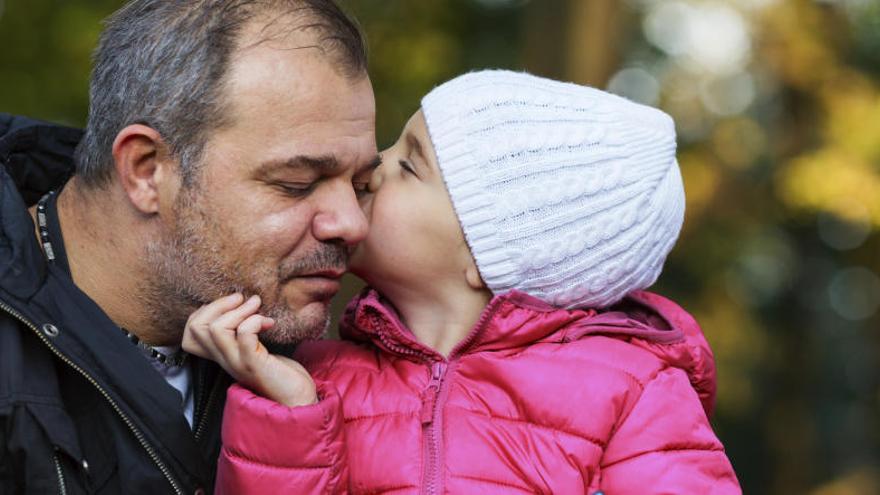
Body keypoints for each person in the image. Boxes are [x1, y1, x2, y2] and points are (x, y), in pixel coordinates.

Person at [185, 70, 743, 493]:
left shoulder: (632, 390)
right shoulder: (317, 378)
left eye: (409, 165)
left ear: (489, 254)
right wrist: (290, 415)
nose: (371, 166)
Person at [0, 0, 377, 493]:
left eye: (364, 185)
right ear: (146, 170)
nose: (351, 224)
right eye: (297, 182)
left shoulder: (341, 371)